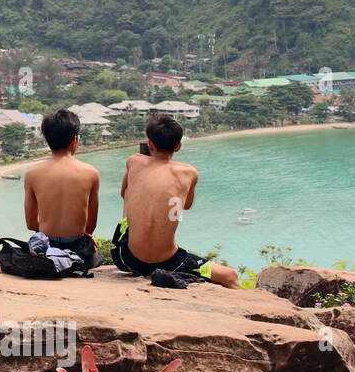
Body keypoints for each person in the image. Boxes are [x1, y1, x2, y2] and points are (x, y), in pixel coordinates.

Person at [113, 113, 239, 289]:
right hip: (169, 263)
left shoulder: (133, 161)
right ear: (178, 146)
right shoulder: (189, 172)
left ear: (150, 144)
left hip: (125, 257)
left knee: (130, 191)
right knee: (230, 276)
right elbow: (185, 206)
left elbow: (123, 193)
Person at [23, 109, 101, 269]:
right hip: (77, 249)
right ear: (74, 140)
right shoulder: (91, 173)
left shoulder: (32, 174)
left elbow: (31, 224)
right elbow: (90, 225)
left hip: (46, 249)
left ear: (47, 140)